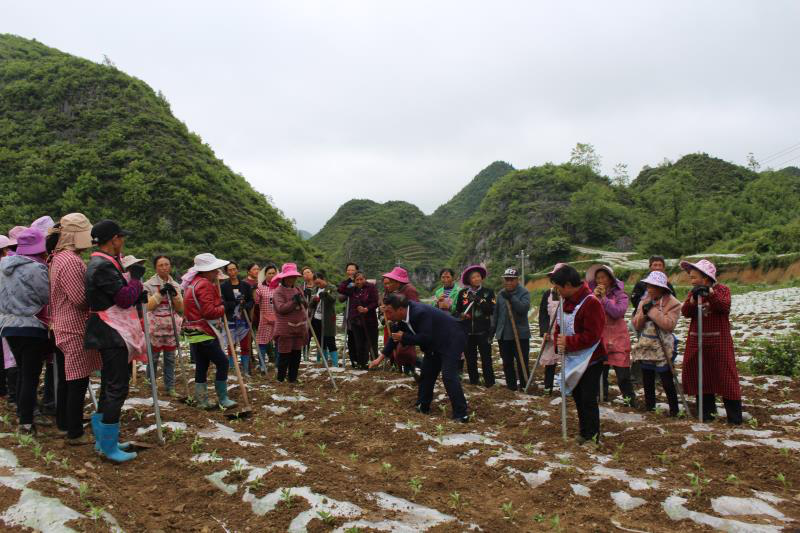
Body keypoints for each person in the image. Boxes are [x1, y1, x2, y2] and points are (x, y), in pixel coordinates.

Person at [84, 220, 143, 462]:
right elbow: (124, 298)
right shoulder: (103, 267)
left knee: (110, 384)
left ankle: (104, 441)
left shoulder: (100, 263)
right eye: (121, 238)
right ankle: (108, 447)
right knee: (117, 387)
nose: (123, 242)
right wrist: (137, 280)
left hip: (106, 331)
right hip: (111, 332)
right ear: (114, 240)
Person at [371, 293, 469, 422]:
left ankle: (461, 414)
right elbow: (394, 338)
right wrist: (379, 359)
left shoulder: (420, 313)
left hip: (452, 339)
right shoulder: (401, 317)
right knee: (427, 374)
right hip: (434, 343)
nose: (387, 316)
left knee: (448, 376)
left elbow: (425, 338)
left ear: (400, 309)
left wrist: (404, 337)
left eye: (389, 312)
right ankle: (422, 406)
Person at [47, 214, 101, 445]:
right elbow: (79, 299)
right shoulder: (70, 261)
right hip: (73, 328)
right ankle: (75, 432)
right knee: (77, 381)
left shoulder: (58, 258)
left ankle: (64, 423)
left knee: (67, 380)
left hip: (60, 325)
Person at [0, 228, 51, 435]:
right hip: (31, 326)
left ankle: (23, 414)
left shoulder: (3, 266)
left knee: (22, 371)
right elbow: (45, 297)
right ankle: (27, 422)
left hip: (8, 326)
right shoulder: (37, 268)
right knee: (31, 375)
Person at [679, 259, 742, 424]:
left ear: (706, 278)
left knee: (726, 377)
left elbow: (724, 307)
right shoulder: (693, 292)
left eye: (694, 277)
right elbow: (685, 312)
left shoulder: (722, 290)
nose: (692, 281)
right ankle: (707, 415)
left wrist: (711, 294)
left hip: (718, 341)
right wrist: (692, 300)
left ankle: (734, 419)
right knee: (701, 376)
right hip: (697, 339)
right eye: (691, 278)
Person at [552, 264, 607, 444]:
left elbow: (593, 335)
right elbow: (560, 327)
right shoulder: (565, 302)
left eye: (559, 287)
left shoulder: (591, 302)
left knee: (587, 397)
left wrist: (568, 342)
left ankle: (593, 436)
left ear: (567, 285)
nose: (557, 291)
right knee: (577, 396)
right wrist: (558, 342)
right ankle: (584, 432)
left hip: (591, 358)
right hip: (572, 357)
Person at [182, 253, 237, 410]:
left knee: (202, 364)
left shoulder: (193, 283)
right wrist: (225, 307)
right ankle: (223, 398)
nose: (216, 273)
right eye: (214, 270)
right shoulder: (205, 285)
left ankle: (202, 400)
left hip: (193, 330)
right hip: (204, 330)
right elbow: (209, 312)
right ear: (206, 271)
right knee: (223, 362)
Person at [631, 271, 681, 416]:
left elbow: (669, 325)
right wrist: (643, 314)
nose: (650, 289)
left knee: (666, 377)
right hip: (646, 343)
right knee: (647, 377)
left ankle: (674, 410)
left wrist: (652, 311)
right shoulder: (644, 301)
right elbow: (637, 325)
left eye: (653, 286)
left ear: (661, 288)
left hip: (663, 345)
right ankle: (650, 408)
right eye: (648, 286)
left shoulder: (673, 303)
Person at [587, 264, 636, 407]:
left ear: (610, 279)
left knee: (622, 375)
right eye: (597, 278)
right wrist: (594, 298)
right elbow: (588, 313)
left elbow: (617, 312)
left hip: (618, 337)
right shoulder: (592, 294)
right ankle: (602, 398)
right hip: (600, 337)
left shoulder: (621, 295)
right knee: (600, 374)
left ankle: (629, 401)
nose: (600, 280)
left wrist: (604, 299)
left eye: (603, 277)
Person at [143, 255, 184, 396]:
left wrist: (174, 295)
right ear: (156, 267)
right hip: (155, 325)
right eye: (161, 265)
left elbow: (180, 308)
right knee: (153, 357)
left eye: (167, 264)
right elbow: (147, 306)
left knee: (170, 358)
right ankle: (150, 385)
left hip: (171, 325)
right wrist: (160, 294)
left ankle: (170, 387)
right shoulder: (148, 285)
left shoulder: (176, 285)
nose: (164, 267)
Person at [454, 264, 496, 387]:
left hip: (483, 331)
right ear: (468, 280)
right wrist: (461, 315)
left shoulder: (488, 292)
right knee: (470, 359)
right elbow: (457, 311)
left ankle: (490, 382)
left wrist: (478, 300)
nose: (477, 279)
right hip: (467, 331)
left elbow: (491, 310)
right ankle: (474, 381)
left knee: (486, 359)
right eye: (473, 277)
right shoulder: (462, 294)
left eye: (478, 276)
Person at [493, 268, 531, 391]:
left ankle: (525, 385)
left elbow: (523, 309)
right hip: (504, 335)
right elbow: (496, 314)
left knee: (522, 362)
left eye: (511, 280)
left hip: (520, 335)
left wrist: (511, 298)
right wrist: (493, 330)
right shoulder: (500, 294)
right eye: (506, 280)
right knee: (507, 362)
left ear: (517, 280)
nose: (508, 282)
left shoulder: (524, 292)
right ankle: (511, 386)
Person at [272, 263, 309, 383]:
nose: (291, 279)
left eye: (293, 277)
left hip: (299, 327)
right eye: (289, 277)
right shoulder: (278, 291)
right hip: (285, 328)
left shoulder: (298, 289)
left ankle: (293, 378)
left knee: (296, 354)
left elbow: (305, 306)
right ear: (283, 278)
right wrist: (293, 302)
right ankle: (281, 379)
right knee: (284, 355)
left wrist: (304, 299)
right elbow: (281, 308)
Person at [380, 267, 420, 373]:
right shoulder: (398, 291)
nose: (389, 285)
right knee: (401, 349)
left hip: (408, 324)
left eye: (391, 282)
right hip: (400, 323)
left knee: (405, 350)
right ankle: (408, 370)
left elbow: (413, 309)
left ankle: (413, 368)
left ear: (397, 281)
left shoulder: (410, 290)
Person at [220, 262, 254, 375]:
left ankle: (245, 369)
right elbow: (223, 303)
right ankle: (233, 368)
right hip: (230, 319)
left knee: (245, 345)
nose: (232, 272)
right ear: (226, 272)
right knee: (231, 345)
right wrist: (234, 303)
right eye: (229, 270)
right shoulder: (223, 287)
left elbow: (251, 301)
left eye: (234, 269)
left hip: (243, 319)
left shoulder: (245, 286)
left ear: (237, 270)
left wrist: (245, 305)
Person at [339, 272, 379, 369]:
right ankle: (362, 364)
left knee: (371, 342)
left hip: (369, 319)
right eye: (357, 280)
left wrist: (367, 309)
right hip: (356, 320)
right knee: (359, 343)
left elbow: (375, 302)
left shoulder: (371, 287)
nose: (359, 281)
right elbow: (340, 289)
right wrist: (349, 279)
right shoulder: (352, 289)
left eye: (361, 279)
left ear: (365, 279)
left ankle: (374, 363)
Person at [538, 264, 566, 394]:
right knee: (550, 362)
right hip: (551, 332)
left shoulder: (572, 294)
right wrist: (545, 331)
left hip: (568, 333)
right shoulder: (548, 294)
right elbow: (543, 314)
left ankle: (568, 389)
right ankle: (547, 388)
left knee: (568, 361)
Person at [310, 271, 339, 367]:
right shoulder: (315, 290)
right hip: (316, 318)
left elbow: (333, 299)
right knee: (320, 340)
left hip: (328, 319)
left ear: (324, 279)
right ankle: (324, 361)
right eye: (316, 283)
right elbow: (310, 305)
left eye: (319, 282)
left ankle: (335, 364)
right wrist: (313, 300)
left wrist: (326, 295)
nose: (318, 285)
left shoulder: (332, 288)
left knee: (330, 339)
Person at [254, 264, 278, 372]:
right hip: (265, 319)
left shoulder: (280, 287)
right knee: (262, 342)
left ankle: (278, 364)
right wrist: (254, 291)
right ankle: (262, 364)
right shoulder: (260, 287)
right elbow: (256, 300)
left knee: (278, 341)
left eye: (274, 273)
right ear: (265, 275)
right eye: (269, 273)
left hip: (278, 319)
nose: (272, 275)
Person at [337, 262, 359, 368]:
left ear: (357, 271)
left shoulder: (360, 281)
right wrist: (348, 285)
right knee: (351, 338)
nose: (350, 272)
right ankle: (353, 360)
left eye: (352, 270)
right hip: (350, 314)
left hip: (360, 314)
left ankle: (362, 359)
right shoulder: (345, 283)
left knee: (360, 337)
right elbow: (340, 296)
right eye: (348, 270)